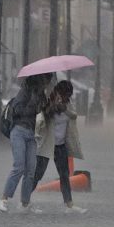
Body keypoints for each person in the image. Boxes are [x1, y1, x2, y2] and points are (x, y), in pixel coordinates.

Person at [0, 73, 51, 213]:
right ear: (39, 80)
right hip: (19, 131)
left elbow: (43, 114)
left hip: (32, 135)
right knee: (19, 166)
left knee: (31, 170)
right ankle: (3, 199)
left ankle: (25, 203)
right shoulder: (24, 92)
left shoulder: (41, 95)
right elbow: (18, 110)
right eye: (45, 81)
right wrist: (33, 105)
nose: (47, 84)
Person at [34, 79, 87, 214]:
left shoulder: (68, 104)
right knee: (38, 174)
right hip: (47, 144)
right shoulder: (48, 102)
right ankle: (25, 200)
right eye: (65, 95)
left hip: (61, 145)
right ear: (58, 92)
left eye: (68, 96)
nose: (66, 98)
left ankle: (69, 203)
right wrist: (52, 107)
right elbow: (42, 117)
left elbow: (74, 116)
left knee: (64, 175)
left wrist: (65, 109)